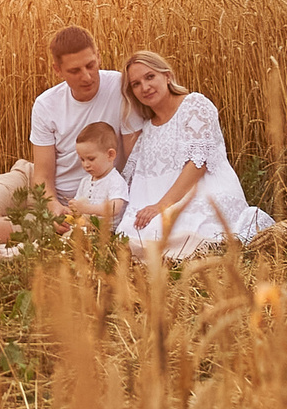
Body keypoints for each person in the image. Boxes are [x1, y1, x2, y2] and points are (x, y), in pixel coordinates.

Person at [0, 25, 147, 247]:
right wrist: (51, 206)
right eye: (74, 71)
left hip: (75, 206)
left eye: (91, 65)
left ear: (98, 56)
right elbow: (42, 173)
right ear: (57, 70)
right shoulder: (46, 104)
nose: (87, 76)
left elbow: (135, 162)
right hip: (36, 184)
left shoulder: (120, 89)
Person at [116, 49, 273, 260]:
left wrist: (161, 206)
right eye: (135, 84)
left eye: (150, 76)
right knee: (133, 232)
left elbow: (198, 164)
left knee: (188, 229)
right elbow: (138, 180)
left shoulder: (194, 105)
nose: (145, 87)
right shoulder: (148, 129)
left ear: (167, 76)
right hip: (165, 199)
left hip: (205, 190)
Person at [60, 121, 131, 226]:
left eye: (91, 159)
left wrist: (87, 209)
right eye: (82, 159)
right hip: (86, 229)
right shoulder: (85, 182)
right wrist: (73, 209)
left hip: (107, 232)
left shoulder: (115, 180)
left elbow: (115, 208)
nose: (86, 165)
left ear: (110, 155)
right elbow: (79, 204)